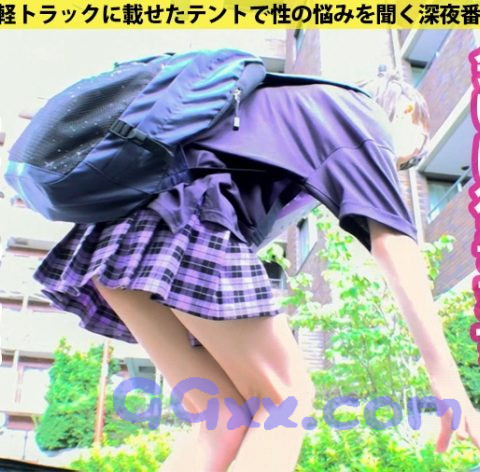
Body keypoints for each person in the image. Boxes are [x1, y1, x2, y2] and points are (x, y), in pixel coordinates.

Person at [28, 65, 480, 472]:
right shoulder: (362, 115)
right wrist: (447, 381)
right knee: (285, 399)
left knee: (221, 419)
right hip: (185, 224)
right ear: (406, 112)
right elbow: (395, 244)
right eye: (412, 155)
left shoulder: (294, 110)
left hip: (124, 238)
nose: (403, 164)